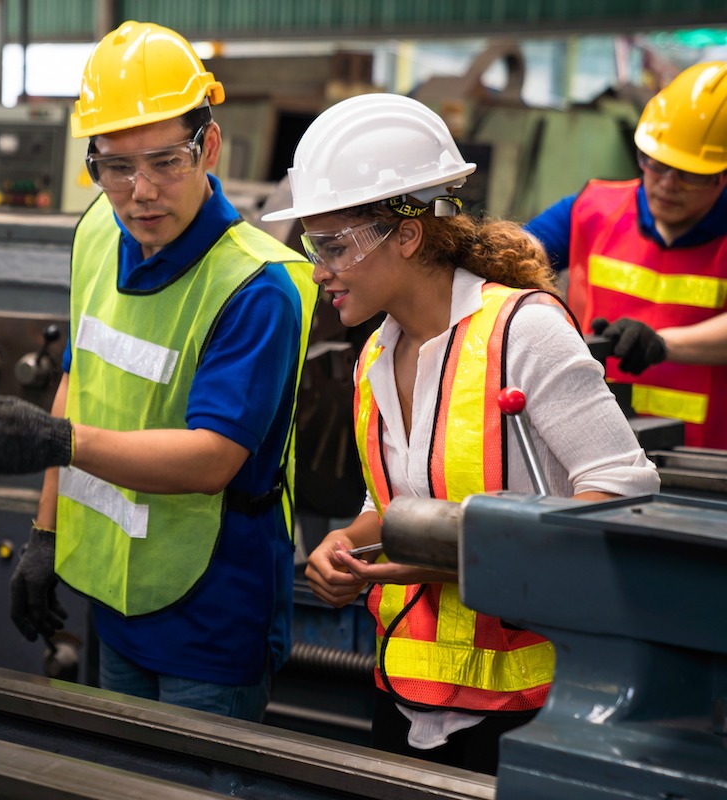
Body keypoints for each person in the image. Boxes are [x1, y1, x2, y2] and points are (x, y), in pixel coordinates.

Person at [261, 93, 660, 773]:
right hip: (404, 689)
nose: (319, 269)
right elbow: (398, 501)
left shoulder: (523, 332)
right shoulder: (377, 355)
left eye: (334, 246)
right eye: (311, 245)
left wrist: (456, 563)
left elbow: (625, 500)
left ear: (408, 234)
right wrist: (346, 542)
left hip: (536, 707)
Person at [0, 21, 319, 722]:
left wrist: (61, 443)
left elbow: (214, 457)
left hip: (211, 611)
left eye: (166, 161)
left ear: (208, 147)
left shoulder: (258, 286)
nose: (140, 191)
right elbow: (77, 381)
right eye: (115, 166)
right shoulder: (96, 233)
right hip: (116, 595)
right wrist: (46, 534)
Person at [526, 61, 727, 449]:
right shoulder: (592, 209)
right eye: (656, 163)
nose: (668, 184)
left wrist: (662, 344)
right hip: (596, 445)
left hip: (708, 463)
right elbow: (519, 251)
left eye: (692, 173)